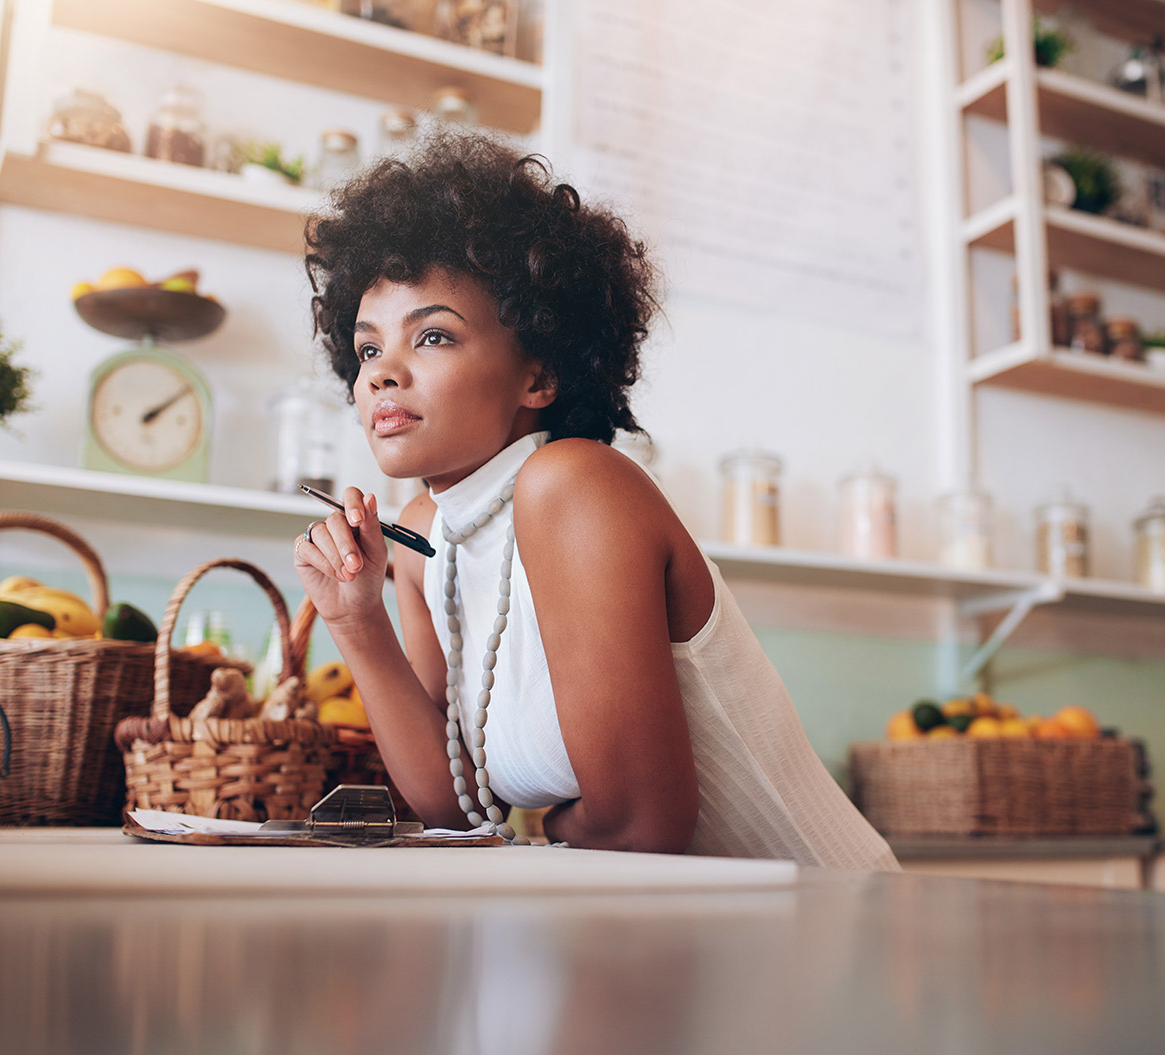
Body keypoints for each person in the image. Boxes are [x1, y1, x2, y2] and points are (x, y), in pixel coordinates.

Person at [295, 130, 897, 871]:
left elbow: (642, 827)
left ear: (539, 377)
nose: (383, 372)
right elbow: (450, 807)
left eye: (434, 338)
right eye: (366, 349)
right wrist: (356, 620)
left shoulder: (573, 486)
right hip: (662, 940)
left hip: (821, 936)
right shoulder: (425, 541)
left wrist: (537, 831)